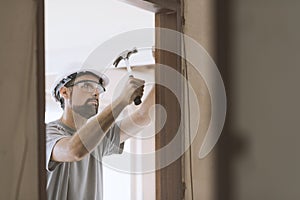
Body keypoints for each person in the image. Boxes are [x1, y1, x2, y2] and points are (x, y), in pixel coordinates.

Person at [46, 69, 154, 200]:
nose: (96, 93)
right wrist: (122, 100)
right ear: (64, 92)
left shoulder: (97, 136)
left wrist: (163, 67)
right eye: (87, 85)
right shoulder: (47, 134)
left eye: (98, 88)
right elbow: (74, 150)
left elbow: (142, 116)